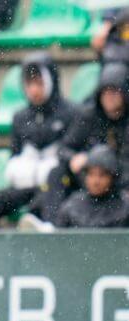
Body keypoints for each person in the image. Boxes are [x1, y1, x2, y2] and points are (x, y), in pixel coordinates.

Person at [0, 52, 77, 228]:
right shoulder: (20, 117)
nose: (34, 90)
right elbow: (15, 154)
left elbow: (70, 158)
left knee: (38, 210)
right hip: (25, 186)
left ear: (51, 82)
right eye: (29, 84)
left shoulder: (71, 113)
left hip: (57, 188)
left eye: (40, 83)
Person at [34, 62, 129, 225]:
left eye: (115, 92)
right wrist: (75, 158)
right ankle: (52, 227)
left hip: (120, 180)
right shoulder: (89, 116)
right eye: (105, 92)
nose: (109, 97)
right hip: (89, 177)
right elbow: (63, 149)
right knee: (56, 173)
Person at [56, 144, 129, 228]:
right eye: (91, 174)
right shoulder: (72, 207)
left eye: (102, 175)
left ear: (112, 177)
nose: (95, 181)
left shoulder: (125, 208)